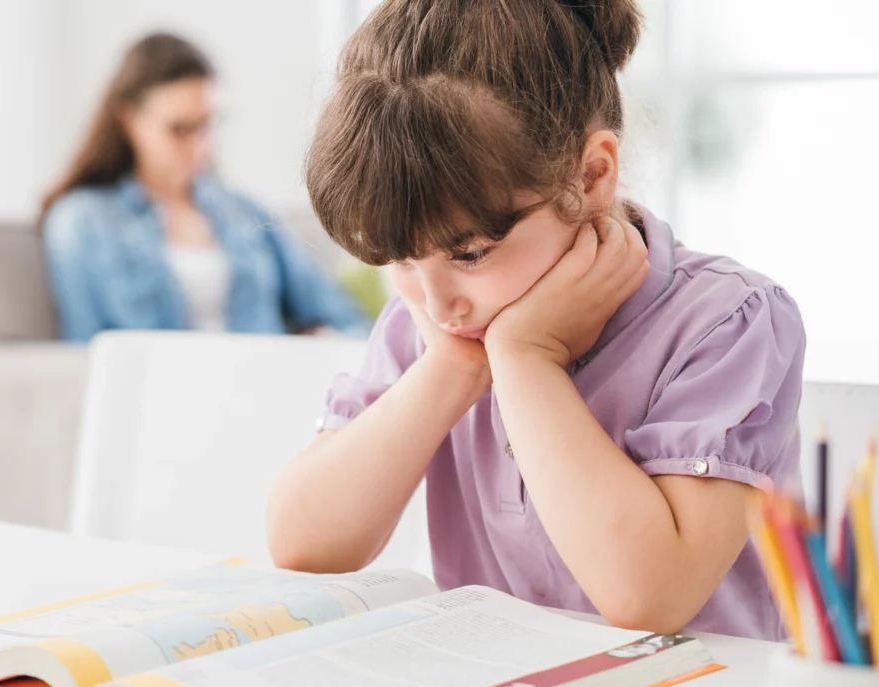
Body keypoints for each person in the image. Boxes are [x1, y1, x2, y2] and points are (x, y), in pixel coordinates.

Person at [267, 0, 804, 642]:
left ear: (592, 174)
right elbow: (303, 543)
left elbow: (649, 596)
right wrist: (449, 368)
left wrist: (526, 357)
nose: (437, 304)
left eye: (470, 253)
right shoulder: (433, 327)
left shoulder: (726, 322)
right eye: (400, 260)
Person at [41, 33, 368, 342]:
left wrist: (328, 344)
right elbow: (84, 357)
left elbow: (343, 317)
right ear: (128, 120)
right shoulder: (81, 221)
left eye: (207, 124)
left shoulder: (245, 212)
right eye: (180, 129)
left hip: (261, 385)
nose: (201, 148)